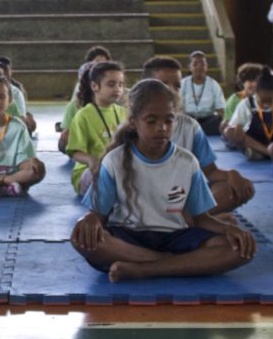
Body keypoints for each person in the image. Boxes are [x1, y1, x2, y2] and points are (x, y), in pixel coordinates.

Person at [71, 79, 256, 281]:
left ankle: (144, 269)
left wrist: (230, 229)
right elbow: (99, 215)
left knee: (240, 249)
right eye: (151, 121)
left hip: (175, 236)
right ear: (133, 122)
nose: (162, 128)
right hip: (128, 238)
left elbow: (201, 219)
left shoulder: (188, 162)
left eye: (169, 120)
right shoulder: (114, 160)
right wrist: (88, 219)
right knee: (80, 238)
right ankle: (173, 262)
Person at [141, 58, 256, 215]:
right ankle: (190, 221)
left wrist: (232, 175)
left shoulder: (190, 126)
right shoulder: (133, 124)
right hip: (143, 197)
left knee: (238, 188)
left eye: (177, 85)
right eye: (163, 84)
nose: (171, 91)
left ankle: (183, 221)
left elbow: (209, 171)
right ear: (145, 88)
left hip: (178, 195)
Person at [65, 61, 127, 194]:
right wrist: (90, 160)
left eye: (120, 84)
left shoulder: (124, 113)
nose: (118, 89)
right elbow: (74, 152)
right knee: (102, 176)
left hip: (117, 168)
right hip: (90, 171)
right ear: (95, 86)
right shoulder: (83, 116)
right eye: (111, 84)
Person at [223, 70, 273, 161]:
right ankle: (265, 152)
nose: (266, 105)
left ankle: (259, 154)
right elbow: (233, 126)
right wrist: (237, 127)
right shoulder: (247, 104)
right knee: (229, 131)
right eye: (263, 101)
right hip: (254, 142)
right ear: (256, 93)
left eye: (269, 101)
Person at [181, 51, 225, 135]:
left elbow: (221, 109)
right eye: (195, 64)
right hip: (189, 118)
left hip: (208, 119)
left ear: (206, 67)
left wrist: (220, 119)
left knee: (217, 121)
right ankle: (196, 131)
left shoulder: (213, 84)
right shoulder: (183, 83)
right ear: (190, 67)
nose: (199, 67)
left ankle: (195, 131)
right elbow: (178, 106)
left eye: (202, 64)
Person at [0, 55, 37, 133]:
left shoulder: (17, 89)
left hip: (14, 114)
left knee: (30, 122)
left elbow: (22, 109)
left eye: (5, 71)